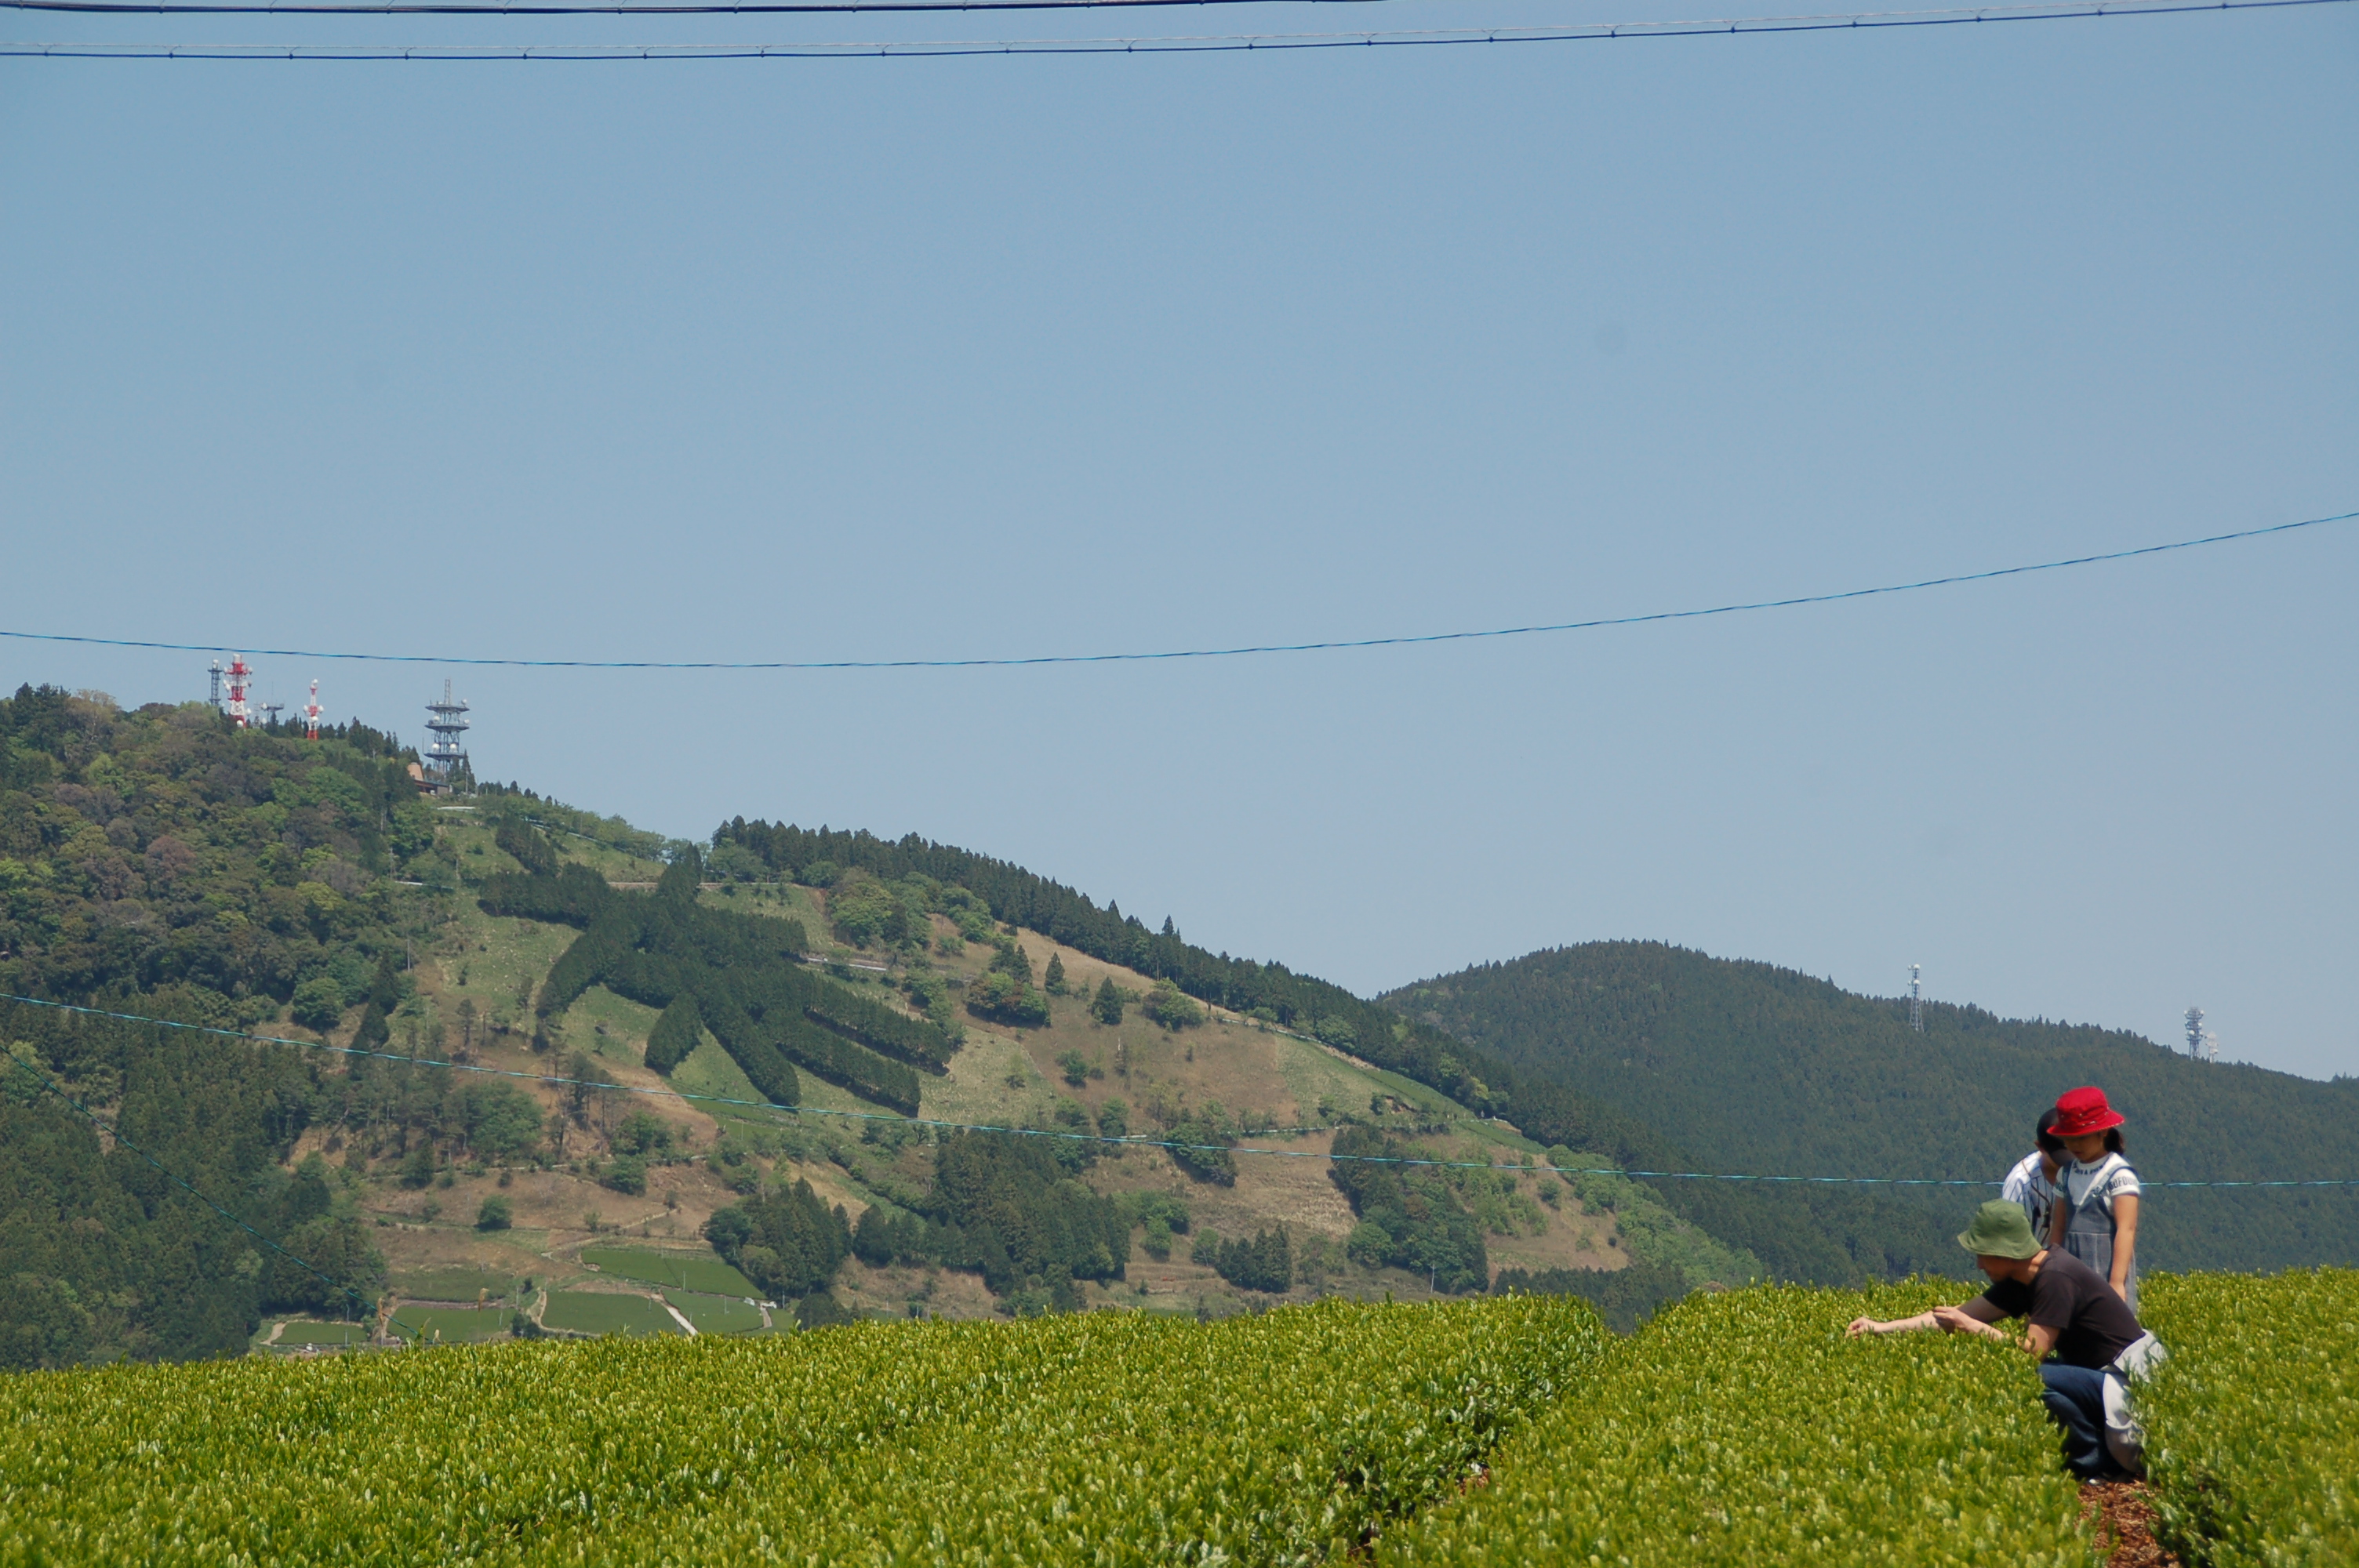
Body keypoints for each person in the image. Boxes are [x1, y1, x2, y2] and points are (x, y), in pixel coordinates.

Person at [1848, 1200, 2165, 1482]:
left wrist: (1972, 1327)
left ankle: (2095, 1462)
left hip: (2124, 1385)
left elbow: (2029, 1356)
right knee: (2022, 1376)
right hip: (2099, 1380)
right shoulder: (2020, 1278)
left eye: (1984, 1255)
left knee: (2030, 1378)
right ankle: (2089, 1453)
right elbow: (1948, 1317)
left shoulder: (2056, 1278)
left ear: (2006, 1251)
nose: (1979, 1265)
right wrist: (1880, 1328)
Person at [2048, 1085, 2142, 1312]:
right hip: (2070, 1270)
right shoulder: (2066, 1173)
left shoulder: (2119, 1174)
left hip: (2106, 1270)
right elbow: (2059, 1224)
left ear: (2104, 1132)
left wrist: (2117, 1282)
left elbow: (2126, 1229)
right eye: (2069, 1139)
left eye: (2083, 1138)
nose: (2075, 1146)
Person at [2001, 1109, 2066, 1243]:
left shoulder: (2085, 1167)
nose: (2066, 1163)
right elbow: (2009, 1243)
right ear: (2040, 1147)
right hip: (2029, 1263)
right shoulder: (2021, 1182)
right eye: (2059, 1158)